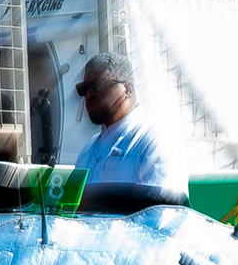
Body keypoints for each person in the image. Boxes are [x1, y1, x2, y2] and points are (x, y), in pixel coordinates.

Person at [69, 54, 183, 206]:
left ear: (127, 89)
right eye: (84, 89)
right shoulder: (87, 151)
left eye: (99, 86)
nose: (89, 95)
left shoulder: (154, 139)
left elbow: (161, 211)